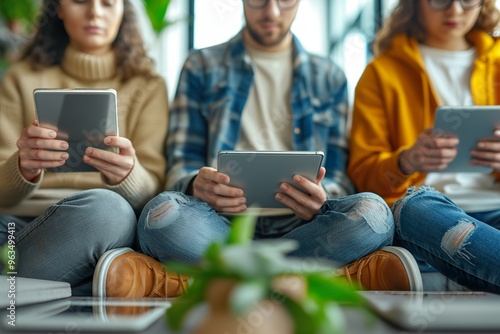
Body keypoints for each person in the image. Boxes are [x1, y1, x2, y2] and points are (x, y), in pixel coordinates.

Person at [96, 0, 425, 298]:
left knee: (375, 214)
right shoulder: (201, 66)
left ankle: (210, 281)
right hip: (218, 226)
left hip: (305, 229)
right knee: (160, 215)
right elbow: (181, 165)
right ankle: (324, 279)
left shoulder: (329, 76)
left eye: (284, 1)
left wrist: (322, 199)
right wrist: (196, 184)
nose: (271, 12)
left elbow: (339, 176)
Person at [0, 0, 168, 296]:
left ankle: (17, 289)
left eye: (108, 3)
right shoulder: (19, 78)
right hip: (18, 229)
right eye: (80, 1)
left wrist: (127, 175)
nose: (95, 13)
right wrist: (22, 167)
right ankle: (84, 286)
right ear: (59, 8)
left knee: (110, 212)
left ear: (124, 11)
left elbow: (154, 189)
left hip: (95, 226)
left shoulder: (148, 85)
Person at [348, 0, 500, 292]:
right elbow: (363, 175)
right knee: (414, 207)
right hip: (430, 217)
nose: (455, 11)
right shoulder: (381, 73)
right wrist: (406, 161)